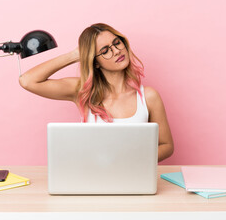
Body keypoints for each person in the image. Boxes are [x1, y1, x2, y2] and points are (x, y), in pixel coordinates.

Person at [19, 23, 174, 162]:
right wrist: (74, 55)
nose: (116, 51)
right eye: (105, 50)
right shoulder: (82, 91)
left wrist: (132, 160)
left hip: (134, 175)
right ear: (95, 62)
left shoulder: (149, 96)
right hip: (92, 177)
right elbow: (27, 81)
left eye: (117, 43)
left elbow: (166, 145)